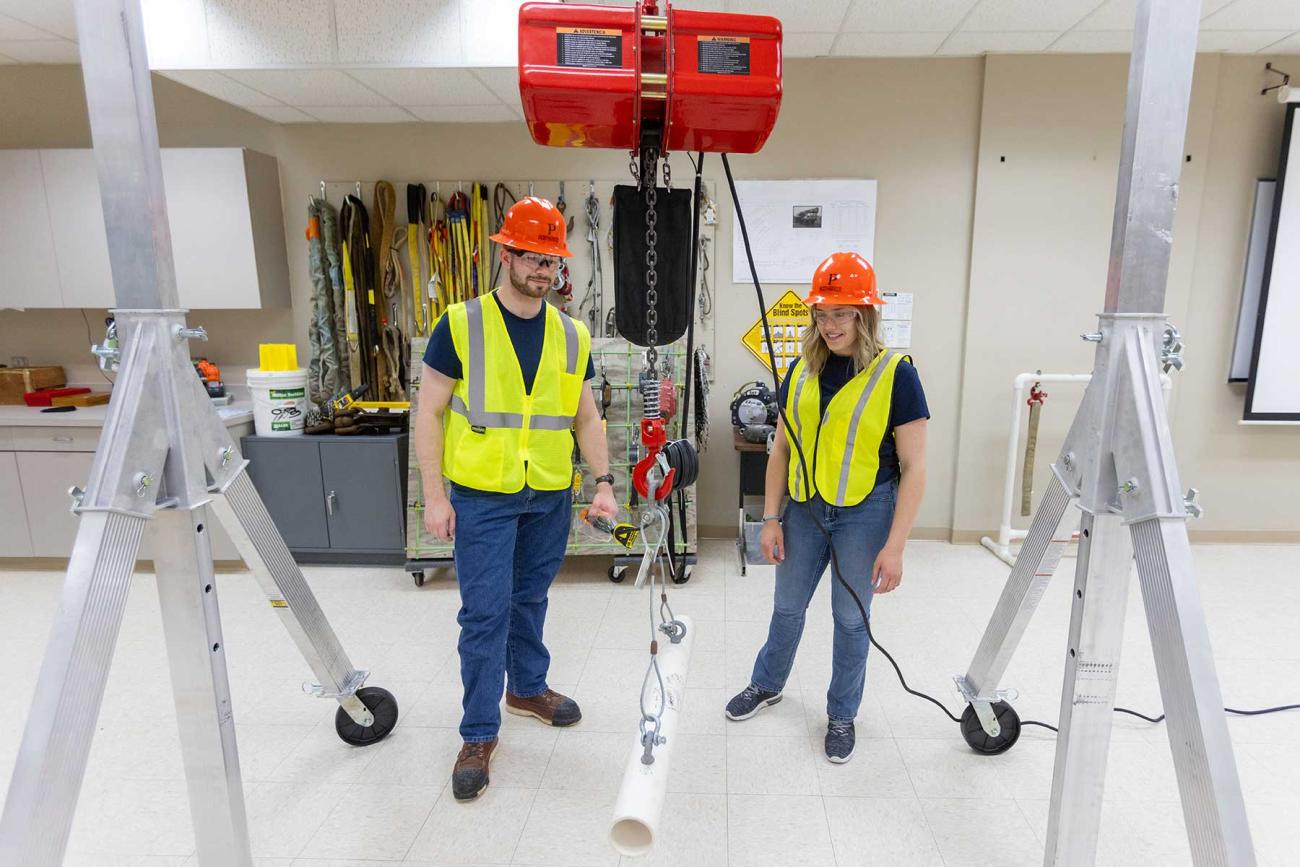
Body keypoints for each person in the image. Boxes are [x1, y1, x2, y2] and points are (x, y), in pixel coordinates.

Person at [413, 196, 619, 801]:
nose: (540, 268)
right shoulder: (460, 323)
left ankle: (527, 686)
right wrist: (435, 495)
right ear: (506, 252)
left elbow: (586, 418)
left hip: (549, 495)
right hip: (483, 495)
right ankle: (478, 732)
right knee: (484, 613)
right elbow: (428, 412)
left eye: (550, 258)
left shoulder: (571, 333)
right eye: (529, 255)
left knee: (530, 598)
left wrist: (603, 483)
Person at [724, 251, 928, 764]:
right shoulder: (800, 370)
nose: (830, 324)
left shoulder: (896, 374)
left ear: (866, 314)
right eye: (823, 312)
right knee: (787, 605)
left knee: (850, 619)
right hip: (804, 510)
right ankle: (767, 683)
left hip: (866, 510)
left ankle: (841, 714)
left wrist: (897, 547)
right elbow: (781, 451)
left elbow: (916, 467)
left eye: (843, 312)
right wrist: (770, 518)